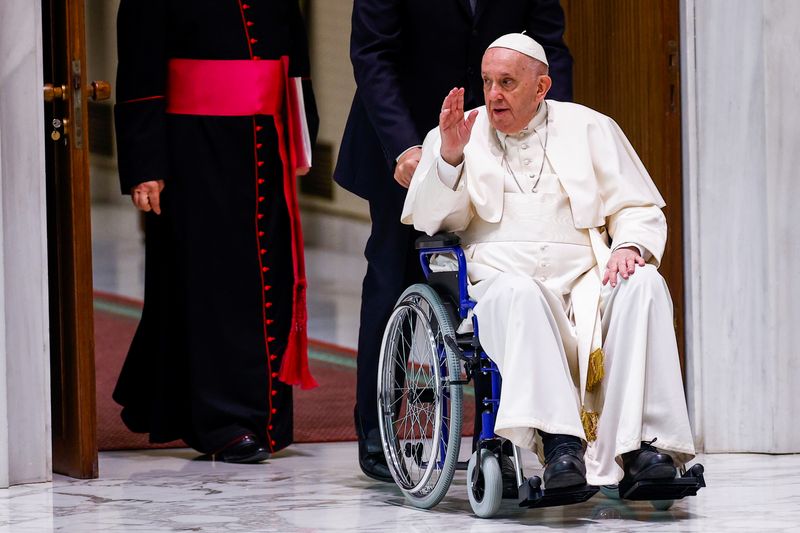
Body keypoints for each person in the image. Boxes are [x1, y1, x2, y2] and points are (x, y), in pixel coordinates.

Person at [401, 33, 696, 488]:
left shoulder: (591, 127)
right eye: (487, 82)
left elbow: (638, 208)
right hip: (500, 279)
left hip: (586, 280)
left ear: (541, 87)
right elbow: (432, 220)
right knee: (521, 292)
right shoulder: (461, 133)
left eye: (507, 82)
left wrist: (628, 247)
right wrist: (451, 157)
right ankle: (561, 446)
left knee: (645, 284)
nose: (494, 95)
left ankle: (642, 447)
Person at [335, 0, 573, 482]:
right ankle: (381, 428)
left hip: (499, 140)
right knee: (392, 273)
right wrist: (405, 145)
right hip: (401, 140)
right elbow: (372, 54)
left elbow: (551, 50)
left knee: (510, 268)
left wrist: (555, 131)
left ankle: (526, 430)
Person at [113, 0, 319, 464]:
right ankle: (222, 422)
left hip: (266, 141)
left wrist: (301, 134)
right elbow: (140, 65)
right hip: (194, 151)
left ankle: (265, 418)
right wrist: (146, 165)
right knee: (213, 284)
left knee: (269, 279)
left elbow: (295, 55)